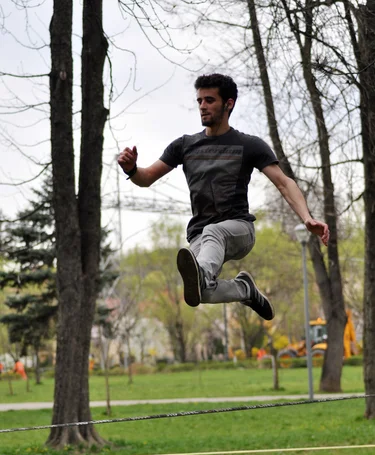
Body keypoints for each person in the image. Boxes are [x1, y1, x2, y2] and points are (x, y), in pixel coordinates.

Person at [118, 73, 329, 320]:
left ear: (228, 104)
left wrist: (306, 217)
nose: (203, 106)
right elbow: (146, 178)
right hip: (199, 236)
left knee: (213, 234)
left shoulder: (248, 145)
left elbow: (284, 183)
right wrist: (132, 169)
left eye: (209, 100)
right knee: (200, 293)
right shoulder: (184, 146)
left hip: (238, 229)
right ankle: (245, 290)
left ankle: (204, 272)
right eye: (199, 101)